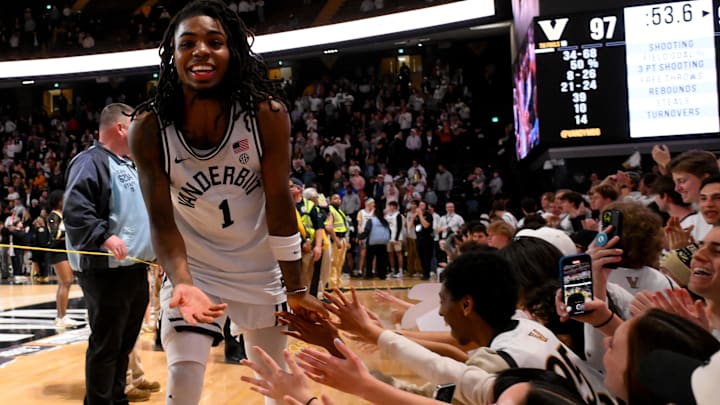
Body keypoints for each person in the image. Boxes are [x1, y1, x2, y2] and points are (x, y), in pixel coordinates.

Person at [128, 1, 325, 403]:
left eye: (214, 42)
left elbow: (279, 204)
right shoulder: (148, 127)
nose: (201, 51)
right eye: (188, 43)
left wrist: (297, 288)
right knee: (183, 379)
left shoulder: (265, 115)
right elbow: (162, 221)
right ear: (173, 56)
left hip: (259, 267)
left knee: (277, 383)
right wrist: (181, 283)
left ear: (233, 52)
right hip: (195, 269)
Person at [64, 103, 157, 404]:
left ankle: (117, 398)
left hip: (134, 269)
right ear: (120, 127)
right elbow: (76, 210)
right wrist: (103, 235)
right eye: (134, 125)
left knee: (124, 344)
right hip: (106, 272)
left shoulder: (129, 163)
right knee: (106, 345)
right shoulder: (89, 161)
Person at [47, 189, 78, 329]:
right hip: (58, 252)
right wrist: (71, 231)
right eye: (63, 198)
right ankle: (61, 316)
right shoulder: (53, 215)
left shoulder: (64, 215)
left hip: (65, 251)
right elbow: (55, 234)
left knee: (65, 283)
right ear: (58, 200)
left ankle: (61, 316)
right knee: (66, 281)